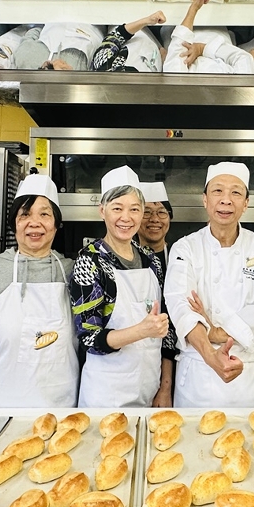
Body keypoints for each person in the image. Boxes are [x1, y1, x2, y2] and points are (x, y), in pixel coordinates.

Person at [164, 162, 254, 407]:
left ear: (246, 203)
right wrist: (211, 354)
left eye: (236, 192)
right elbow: (180, 305)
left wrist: (217, 332)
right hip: (199, 377)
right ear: (205, 200)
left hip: (250, 379)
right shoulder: (185, 248)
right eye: (218, 190)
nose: (226, 200)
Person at [0, 174, 78, 407]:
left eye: (44, 214)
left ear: (56, 224)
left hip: (61, 410)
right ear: (14, 224)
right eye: (25, 215)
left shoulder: (74, 274)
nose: (34, 222)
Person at [71, 166, 177, 408]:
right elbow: (89, 338)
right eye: (117, 208)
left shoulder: (150, 260)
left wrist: (165, 387)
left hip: (150, 389)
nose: (126, 218)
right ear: (102, 211)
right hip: (106, 395)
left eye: (134, 209)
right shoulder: (90, 261)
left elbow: (167, 330)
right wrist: (141, 330)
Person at [163, 0, 254, 74]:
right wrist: (202, 48)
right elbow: (244, 58)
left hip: (178, 23)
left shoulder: (179, 81)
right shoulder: (238, 83)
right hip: (218, 28)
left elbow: (179, 44)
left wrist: (194, 8)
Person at [93, 11, 167, 72]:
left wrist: (147, 20)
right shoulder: (150, 83)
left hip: (129, 25)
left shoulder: (104, 64)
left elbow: (118, 34)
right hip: (155, 42)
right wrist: (163, 62)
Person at [12, 22, 104, 70]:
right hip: (94, 22)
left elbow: (34, 30)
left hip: (56, 12)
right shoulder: (81, 73)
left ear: (45, 64)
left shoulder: (25, 59)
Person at [138, 181, 172, 274]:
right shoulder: (127, 257)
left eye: (161, 212)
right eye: (146, 212)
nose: (155, 219)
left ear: (170, 218)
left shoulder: (181, 254)